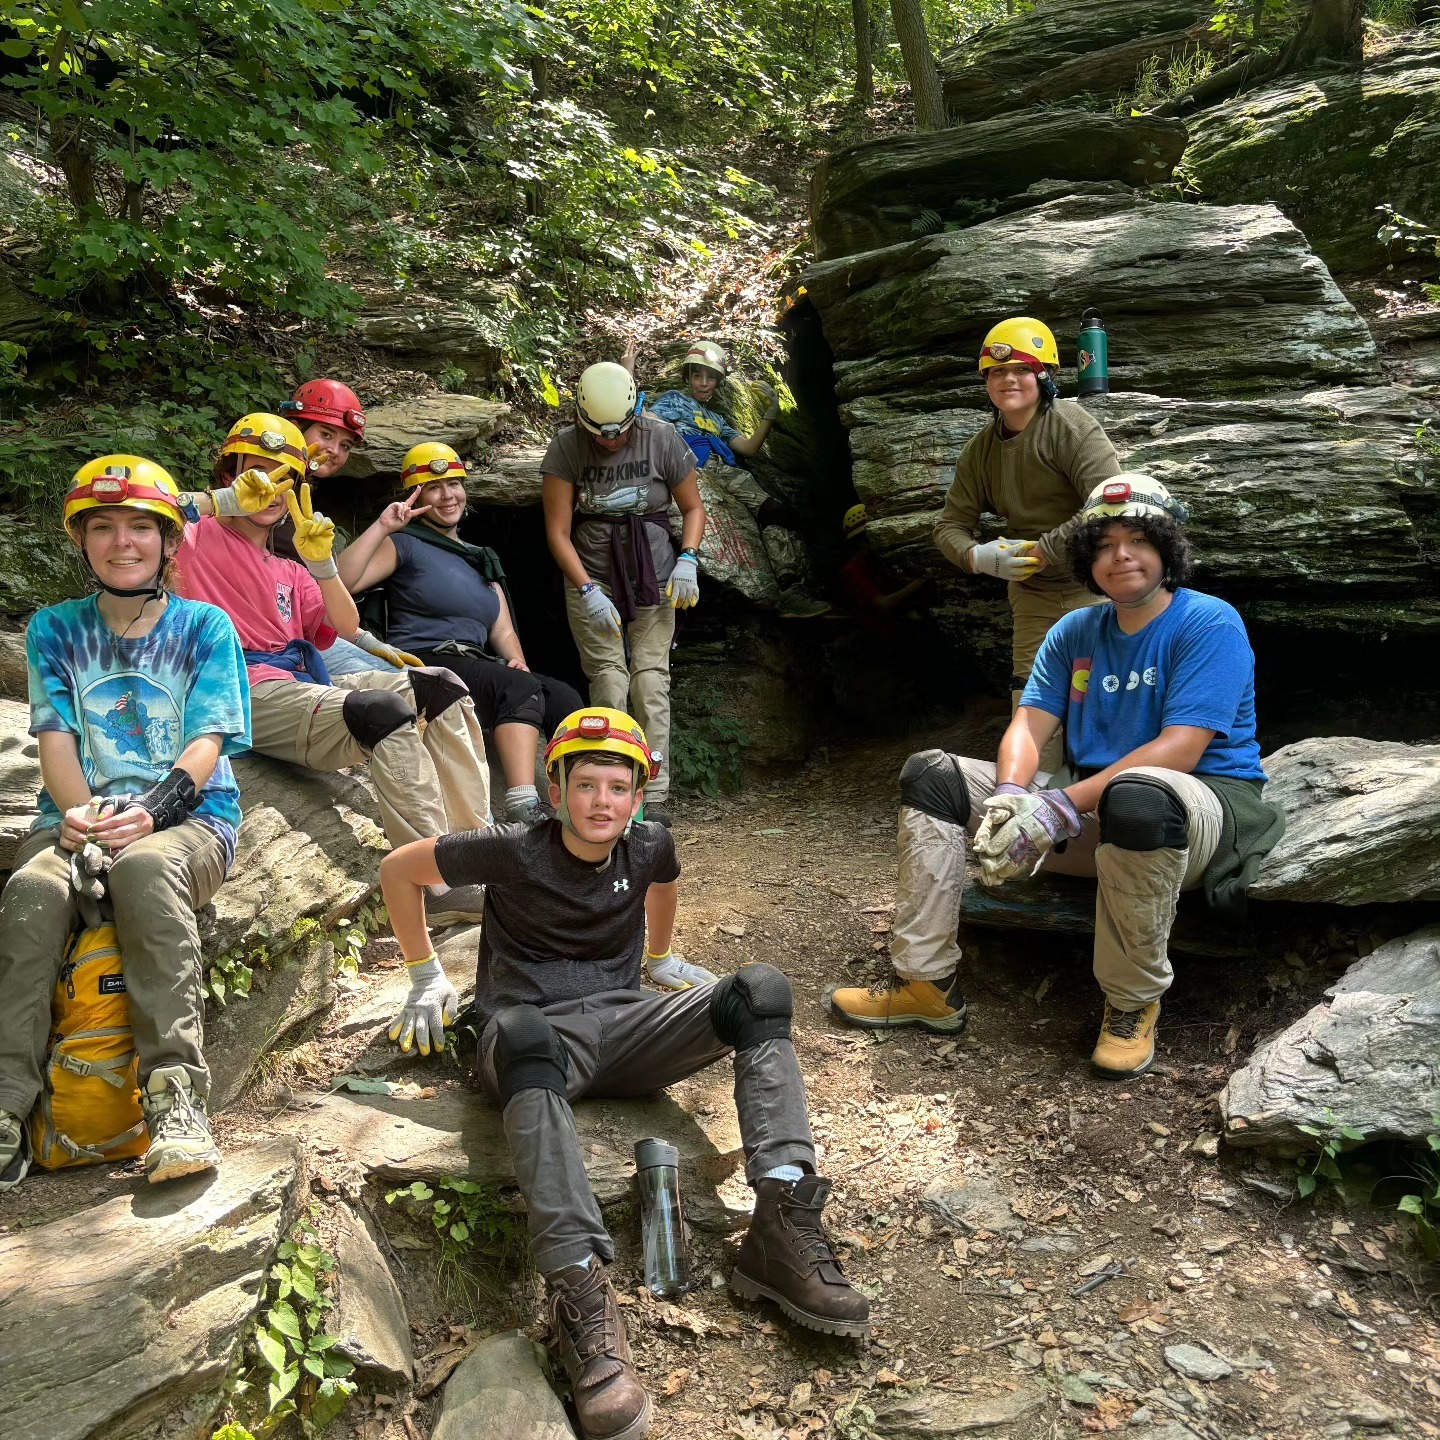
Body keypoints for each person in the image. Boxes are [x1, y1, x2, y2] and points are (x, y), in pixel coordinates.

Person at [377, 707, 867, 1440]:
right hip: (528, 1041)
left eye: (618, 787)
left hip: (626, 1028)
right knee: (527, 1031)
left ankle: (781, 1222)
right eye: (585, 785)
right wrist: (423, 977)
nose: (602, 802)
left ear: (638, 798)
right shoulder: (513, 849)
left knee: (760, 991)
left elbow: (663, 881)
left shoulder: (649, 847)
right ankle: (578, 1288)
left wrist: (661, 958)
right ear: (555, 789)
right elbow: (399, 869)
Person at [831, 477, 1285, 1078]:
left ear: (1167, 549)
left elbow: (1180, 747)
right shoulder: (1074, 632)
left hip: (1191, 816)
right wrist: (1011, 798)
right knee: (933, 775)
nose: (1119, 555)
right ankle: (926, 983)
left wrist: (1057, 807)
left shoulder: (1209, 623)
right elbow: (1028, 725)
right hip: (1091, 810)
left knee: (1138, 794)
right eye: (1104, 545)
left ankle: (1130, 1004)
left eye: (1138, 540)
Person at [0, 455, 250, 1192]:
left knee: (143, 868)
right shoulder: (53, 629)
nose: (122, 542)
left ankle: (176, 1103)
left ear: (169, 541)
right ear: (80, 540)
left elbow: (207, 741)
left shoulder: (205, 627)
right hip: (81, 821)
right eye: (103, 527)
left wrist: (153, 813)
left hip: (190, 821)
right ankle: (8, 1107)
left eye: (141, 526)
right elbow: (56, 741)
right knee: (34, 891)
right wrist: (77, 815)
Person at [172, 413, 493, 927]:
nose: (273, 490)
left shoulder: (290, 567)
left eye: (286, 479)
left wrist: (321, 565)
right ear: (229, 475)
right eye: (258, 473)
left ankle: (475, 855)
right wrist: (226, 501)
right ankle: (429, 884)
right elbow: (141, 511)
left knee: (443, 687)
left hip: (290, 685)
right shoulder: (191, 538)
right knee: (382, 712)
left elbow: (341, 625)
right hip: (230, 690)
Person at [335, 441, 585, 825]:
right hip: (425, 660)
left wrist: (517, 662)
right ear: (416, 495)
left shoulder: (479, 556)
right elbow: (340, 582)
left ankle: (583, 796)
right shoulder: (404, 544)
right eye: (433, 488)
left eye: (454, 484)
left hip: (475, 662)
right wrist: (384, 527)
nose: (447, 495)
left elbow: (500, 626)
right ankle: (524, 807)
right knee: (517, 689)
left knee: (563, 696)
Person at [933, 317, 1122, 747]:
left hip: (1096, 581)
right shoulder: (981, 450)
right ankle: (1035, 794)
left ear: (1043, 375)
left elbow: (1110, 502)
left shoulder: (1071, 426)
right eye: (997, 371)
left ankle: (1107, 791)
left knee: (1107, 688)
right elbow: (949, 524)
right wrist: (975, 556)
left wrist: (1045, 549)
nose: (1008, 379)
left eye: (1021, 369)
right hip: (1031, 593)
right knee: (1033, 696)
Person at [541, 361, 706, 830]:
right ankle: (613, 788)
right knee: (610, 682)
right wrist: (587, 589)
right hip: (592, 576)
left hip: (654, 576)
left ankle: (653, 791)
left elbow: (692, 507)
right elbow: (557, 532)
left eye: (620, 432)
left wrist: (688, 558)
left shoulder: (661, 437)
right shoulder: (567, 446)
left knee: (650, 681)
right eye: (602, 434)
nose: (611, 441)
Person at [278, 378, 412, 678]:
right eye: (325, 434)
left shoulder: (306, 500)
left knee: (420, 680)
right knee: (398, 686)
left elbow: (334, 585)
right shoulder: (266, 492)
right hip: (279, 640)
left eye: (345, 445)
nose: (334, 450)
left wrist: (382, 525)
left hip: (313, 630)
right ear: (295, 428)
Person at [836, 502, 929, 636]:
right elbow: (883, 605)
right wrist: (922, 579)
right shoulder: (852, 571)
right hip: (874, 636)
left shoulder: (880, 560)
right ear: (862, 540)